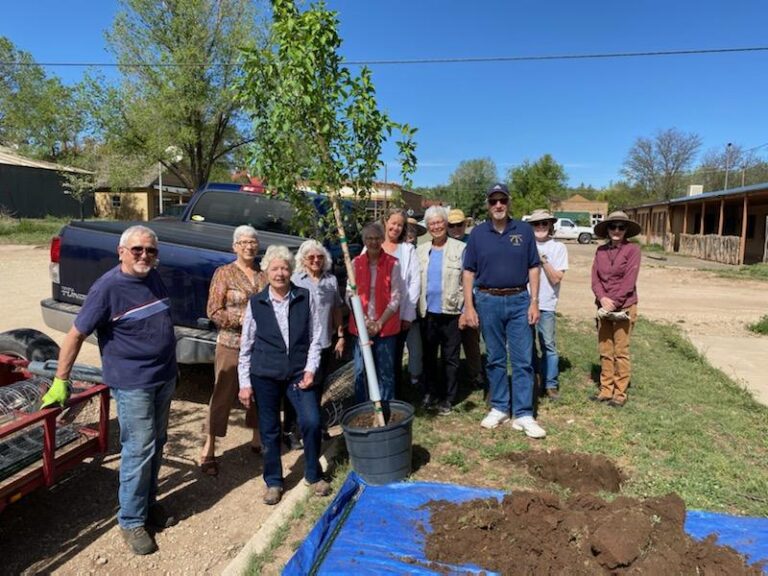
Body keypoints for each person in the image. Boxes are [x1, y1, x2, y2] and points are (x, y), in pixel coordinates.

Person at [50, 225, 177, 555]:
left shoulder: (152, 277)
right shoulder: (107, 288)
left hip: (164, 376)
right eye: (137, 250)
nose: (144, 256)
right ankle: (132, 520)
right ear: (121, 252)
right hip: (133, 382)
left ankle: (148, 505)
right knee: (139, 448)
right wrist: (61, 380)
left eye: (150, 250)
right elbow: (76, 334)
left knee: (157, 442)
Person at [238, 245, 331, 506]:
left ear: (292, 270)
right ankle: (274, 482)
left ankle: (313, 475)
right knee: (269, 430)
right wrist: (244, 383)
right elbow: (246, 347)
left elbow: (315, 338)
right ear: (266, 271)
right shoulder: (256, 303)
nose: (280, 273)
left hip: (299, 373)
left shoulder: (304, 297)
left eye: (285, 268)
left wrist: (311, 368)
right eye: (275, 268)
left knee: (311, 421)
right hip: (265, 374)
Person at [463, 183, 546, 439]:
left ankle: (522, 413)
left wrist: (534, 301)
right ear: (487, 204)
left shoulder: (523, 230)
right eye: (493, 201)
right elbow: (468, 271)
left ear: (509, 202)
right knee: (496, 357)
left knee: (522, 360)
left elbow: (534, 266)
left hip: (520, 299)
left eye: (502, 201)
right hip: (488, 301)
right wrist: (469, 306)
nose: (498, 205)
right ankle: (499, 406)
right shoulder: (477, 234)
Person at [201, 225, 266, 477]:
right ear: (235, 246)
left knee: (259, 392)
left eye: (253, 242)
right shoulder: (224, 273)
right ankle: (209, 449)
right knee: (222, 394)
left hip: (260, 346)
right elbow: (214, 310)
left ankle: (257, 440)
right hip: (231, 344)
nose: (249, 246)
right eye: (244, 242)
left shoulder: (263, 275)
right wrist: (245, 320)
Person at [291, 240, 346, 435]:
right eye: (311, 257)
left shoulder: (330, 281)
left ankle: (314, 425)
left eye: (320, 257)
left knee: (319, 384)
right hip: (301, 343)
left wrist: (340, 335)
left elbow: (337, 308)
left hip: (324, 341)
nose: (316, 260)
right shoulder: (295, 280)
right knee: (299, 386)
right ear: (303, 259)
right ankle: (293, 429)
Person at [590, 211, 642, 407]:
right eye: (613, 226)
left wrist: (615, 301)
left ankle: (619, 393)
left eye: (621, 227)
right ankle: (605, 390)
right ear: (607, 229)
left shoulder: (633, 250)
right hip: (603, 307)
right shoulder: (600, 251)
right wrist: (602, 298)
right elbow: (595, 278)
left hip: (625, 306)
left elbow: (630, 280)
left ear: (626, 230)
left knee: (620, 350)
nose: (617, 230)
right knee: (605, 349)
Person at [417, 206, 466, 415]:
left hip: (452, 312)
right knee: (428, 356)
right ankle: (430, 392)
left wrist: (466, 310)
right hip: (427, 312)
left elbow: (467, 281)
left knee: (450, 357)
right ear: (428, 227)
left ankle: (448, 396)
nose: (436, 226)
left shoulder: (460, 248)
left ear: (446, 224)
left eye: (439, 222)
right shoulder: (420, 250)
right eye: (432, 223)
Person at [348, 222, 401, 402]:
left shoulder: (393, 263)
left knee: (385, 371)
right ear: (364, 240)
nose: (373, 242)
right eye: (369, 238)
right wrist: (365, 321)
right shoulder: (355, 263)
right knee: (361, 370)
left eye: (377, 238)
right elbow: (350, 294)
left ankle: (386, 409)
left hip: (385, 326)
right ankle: (363, 408)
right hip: (361, 326)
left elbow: (396, 297)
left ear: (382, 240)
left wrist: (379, 323)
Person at [527, 209, 568, 401]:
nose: (541, 227)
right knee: (527, 345)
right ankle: (534, 381)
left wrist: (542, 261)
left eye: (545, 223)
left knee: (548, 345)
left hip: (547, 303)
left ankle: (551, 384)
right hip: (525, 303)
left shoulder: (558, 248)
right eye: (537, 224)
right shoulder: (525, 245)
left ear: (550, 225)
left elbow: (557, 278)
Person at [381, 209, 420, 396]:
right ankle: (375, 395)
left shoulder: (407, 250)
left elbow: (414, 283)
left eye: (400, 225)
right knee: (376, 357)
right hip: (375, 313)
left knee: (394, 357)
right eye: (393, 223)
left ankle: (393, 397)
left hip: (398, 313)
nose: (395, 228)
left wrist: (408, 314)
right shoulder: (373, 245)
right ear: (385, 222)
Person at [447, 208, 484, 390]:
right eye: (451, 225)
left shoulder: (474, 244)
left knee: (471, 339)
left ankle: (475, 374)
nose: (455, 229)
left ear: (465, 225)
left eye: (459, 225)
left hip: (470, 299)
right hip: (448, 301)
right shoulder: (441, 244)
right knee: (448, 342)